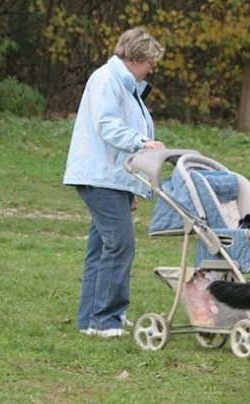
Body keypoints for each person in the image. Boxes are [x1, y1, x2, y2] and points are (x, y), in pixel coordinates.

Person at [63, 27, 166, 338]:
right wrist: (142, 143)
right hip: (99, 175)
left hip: (112, 177)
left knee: (101, 248)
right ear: (136, 58)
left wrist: (131, 186)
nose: (152, 68)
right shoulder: (107, 80)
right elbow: (108, 125)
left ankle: (90, 321)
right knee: (121, 245)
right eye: (150, 62)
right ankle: (106, 319)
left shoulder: (126, 86)